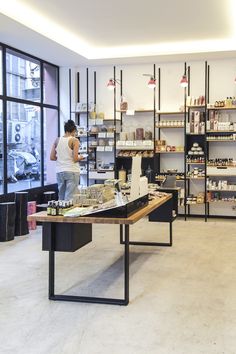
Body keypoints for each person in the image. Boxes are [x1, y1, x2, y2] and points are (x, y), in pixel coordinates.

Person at [50, 119, 84, 200]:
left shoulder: (57, 140)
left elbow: (52, 157)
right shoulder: (74, 140)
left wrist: (62, 157)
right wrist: (81, 157)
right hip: (72, 171)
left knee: (61, 196)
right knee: (70, 197)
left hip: (60, 171)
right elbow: (75, 158)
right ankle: (68, 212)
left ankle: (60, 212)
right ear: (74, 130)